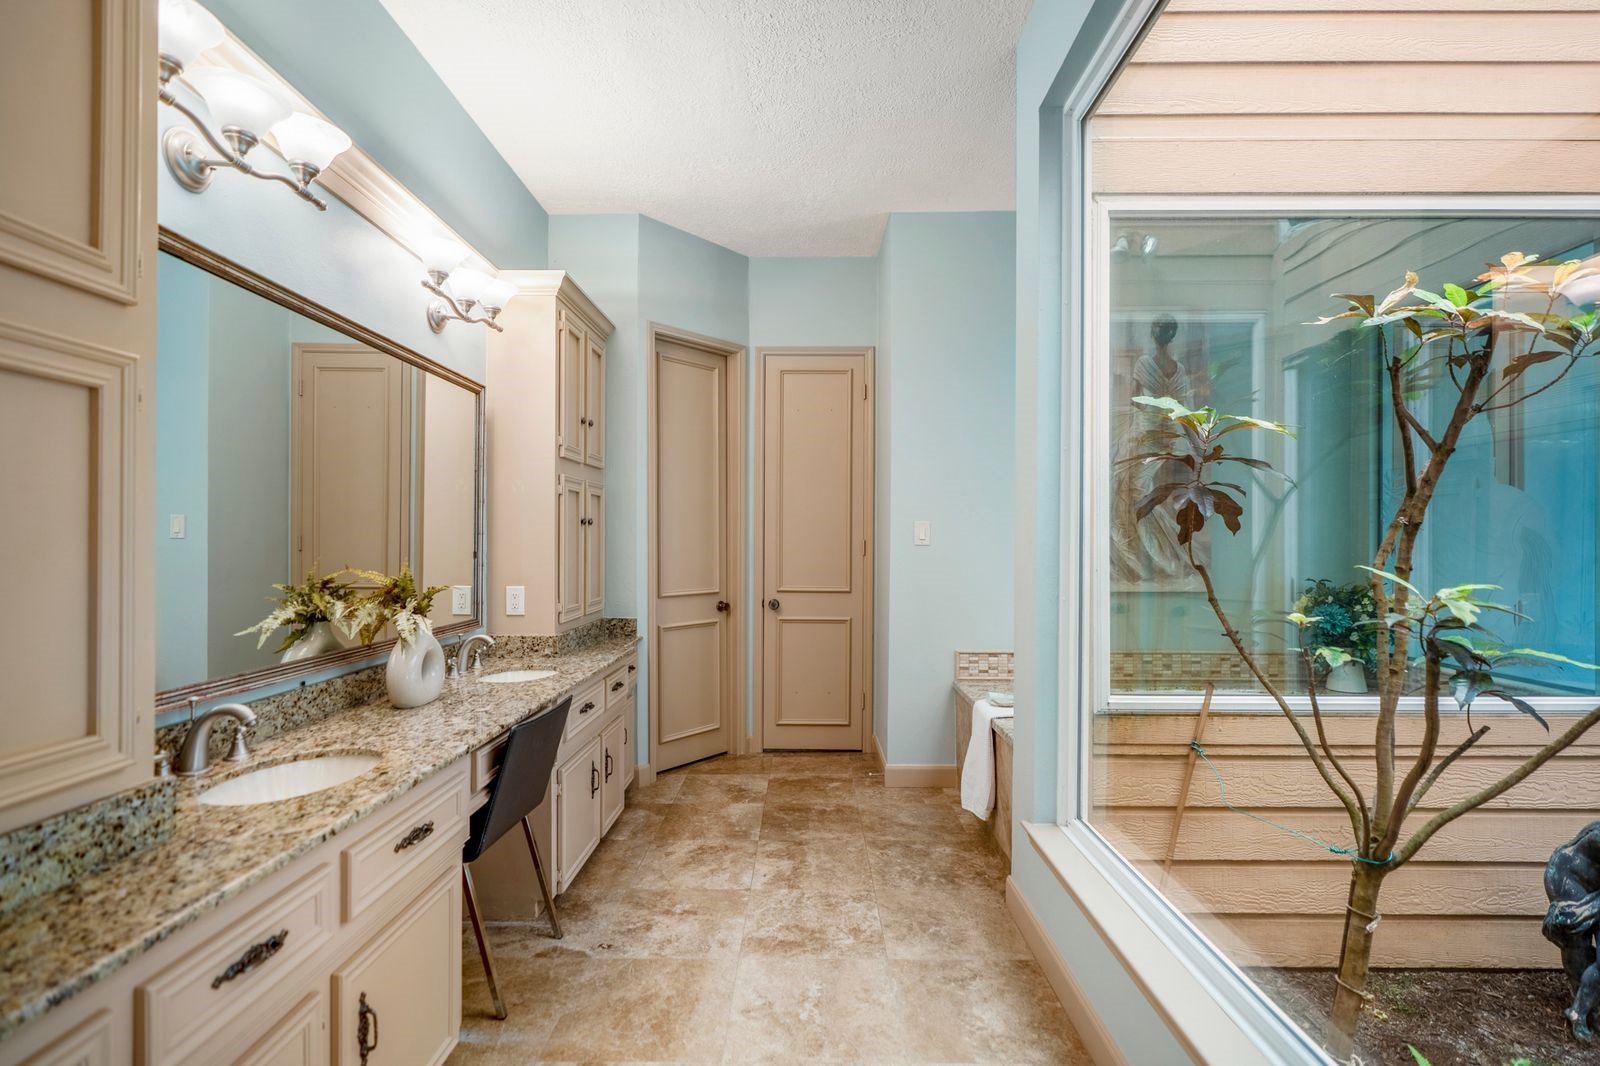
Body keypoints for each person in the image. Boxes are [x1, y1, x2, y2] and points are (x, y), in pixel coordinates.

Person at [1544, 820, 1600, 1041]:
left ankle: (1585, 1009)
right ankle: (1585, 1010)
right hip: (1569, 882)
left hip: (1594, 887)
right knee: (1576, 942)